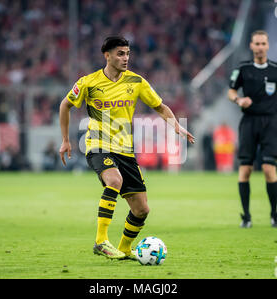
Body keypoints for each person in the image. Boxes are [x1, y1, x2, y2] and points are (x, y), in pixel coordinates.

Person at [59, 36, 195, 259]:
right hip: (98, 145)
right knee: (114, 180)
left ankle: (124, 248)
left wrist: (176, 126)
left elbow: (160, 107)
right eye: (120, 54)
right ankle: (101, 240)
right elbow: (65, 105)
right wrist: (65, 139)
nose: (125, 58)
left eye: (127, 54)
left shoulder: (136, 82)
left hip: (125, 150)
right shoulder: (88, 83)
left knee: (142, 209)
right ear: (107, 55)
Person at [228, 30, 277, 228]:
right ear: (251, 45)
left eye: (263, 43)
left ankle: (274, 215)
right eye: (256, 44)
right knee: (245, 169)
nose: (260, 47)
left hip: (270, 123)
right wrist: (239, 99)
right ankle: (246, 217)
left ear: (268, 45)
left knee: (268, 168)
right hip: (248, 122)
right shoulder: (243, 69)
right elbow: (230, 92)